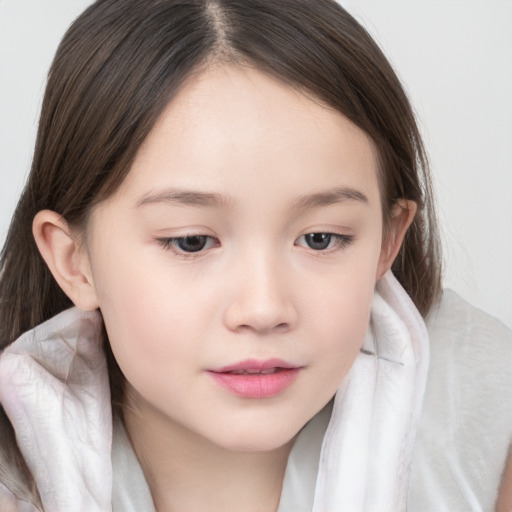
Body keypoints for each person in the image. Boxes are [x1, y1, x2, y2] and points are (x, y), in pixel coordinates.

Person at [0, 0, 510, 510]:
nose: (264, 309)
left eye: (320, 239)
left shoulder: (491, 428)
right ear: (73, 259)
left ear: (387, 240)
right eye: (191, 241)